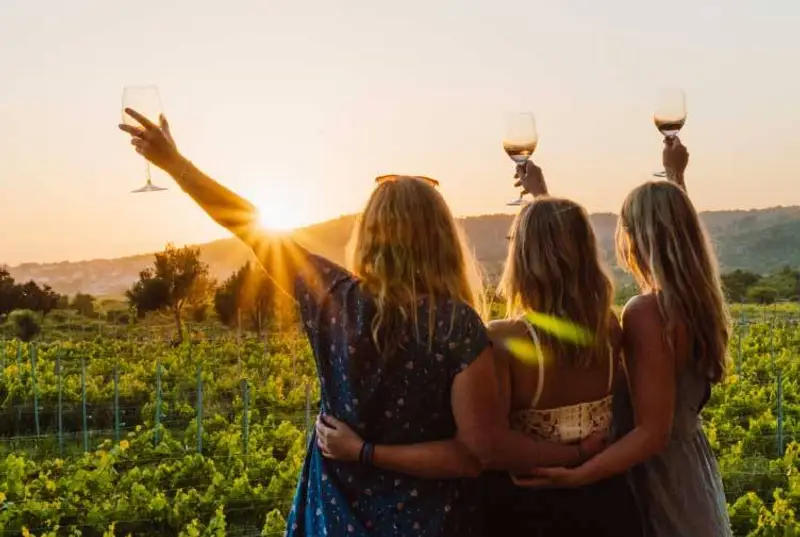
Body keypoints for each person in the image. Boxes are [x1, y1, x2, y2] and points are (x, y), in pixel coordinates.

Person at [118, 110, 604, 537]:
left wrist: (176, 166)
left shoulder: (331, 295)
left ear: (369, 233)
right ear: (440, 238)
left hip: (333, 517)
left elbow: (245, 222)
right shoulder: (457, 326)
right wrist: (576, 453)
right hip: (435, 521)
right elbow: (474, 454)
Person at [317, 161, 644, 536]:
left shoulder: (504, 341)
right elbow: (562, 246)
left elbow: (488, 448)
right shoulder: (608, 330)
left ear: (523, 260)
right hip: (606, 503)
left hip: (529, 510)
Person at [521, 138, 733, 536]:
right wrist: (676, 177)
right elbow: (680, 230)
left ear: (635, 238)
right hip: (691, 474)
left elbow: (653, 433)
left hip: (658, 482)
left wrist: (580, 475)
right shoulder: (700, 304)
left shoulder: (648, 313)